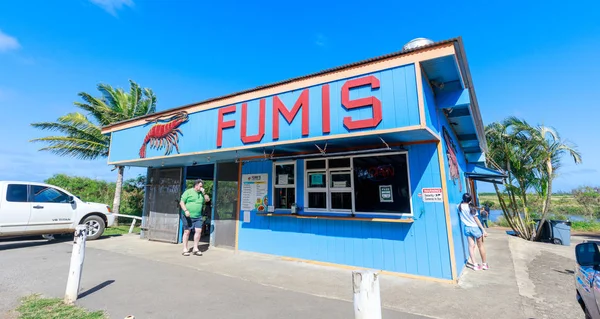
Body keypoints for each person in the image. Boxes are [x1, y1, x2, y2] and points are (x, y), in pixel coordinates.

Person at [179, 179, 210, 256]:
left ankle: (195, 248)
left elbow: (207, 200)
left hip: (198, 216)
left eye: (202, 186)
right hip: (187, 216)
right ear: (196, 185)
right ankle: (185, 249)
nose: (201, 187)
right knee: (187, 232)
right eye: (200, 186)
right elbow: (181, 202)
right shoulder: (188, 192)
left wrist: (204, 193)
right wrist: (186, 210)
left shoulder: (202, 194)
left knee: (198, 231)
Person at [458, 193, 489, 271]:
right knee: (480, 246)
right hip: (475, 228)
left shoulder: (459, 206)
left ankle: (475, 265)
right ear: (470, 200)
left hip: (467, 228)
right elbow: (476, 219)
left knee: (471, 246)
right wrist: (483, 229)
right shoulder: (471, 208)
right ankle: (484, 264)